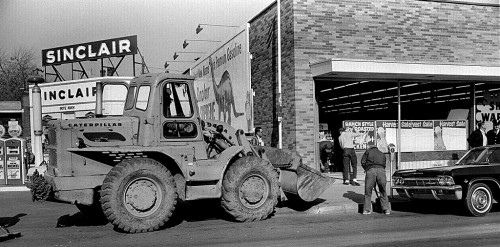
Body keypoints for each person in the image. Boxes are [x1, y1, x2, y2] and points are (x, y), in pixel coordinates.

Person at [361, 144, 391, 215]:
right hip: (381, 171)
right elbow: (384, 164)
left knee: (368, 191)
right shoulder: (381, 153)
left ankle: (366, 210)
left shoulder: (367, 152)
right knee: (382, 190)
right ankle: (386, 209)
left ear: (369, 147)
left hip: (371, 171)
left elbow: (363, 162)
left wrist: (367, 169)